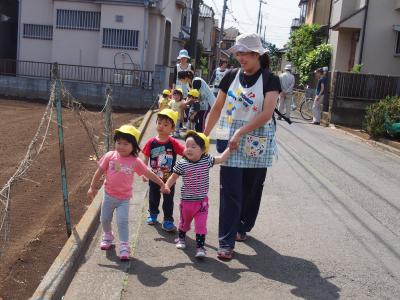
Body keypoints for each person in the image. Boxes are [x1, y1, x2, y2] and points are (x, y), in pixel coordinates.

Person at [204, 33, 281, 260]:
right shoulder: (229, 76)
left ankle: (242, 226)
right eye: (238, 53)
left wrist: (241, 131)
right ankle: (226, 242)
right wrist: (202, 136)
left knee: (251, 189)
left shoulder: (270, 79)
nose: (240, 57)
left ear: (257, 54)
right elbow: (217, 108)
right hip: (231, 141)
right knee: (230, 191)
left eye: (244, 53)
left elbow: (267, 113)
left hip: (257, 139)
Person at [87, 125, 168, 260]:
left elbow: (149, 173)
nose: (121, 146)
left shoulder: (135, 162)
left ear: (134, 146)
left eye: (126, 143)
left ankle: (124, 245)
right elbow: (99, 172)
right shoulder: (110, 156)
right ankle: (108, 235)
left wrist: (162, 184)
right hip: (108, 195)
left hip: (124, 199)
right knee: (104, 219)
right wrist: (92, 187)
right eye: (119, 142)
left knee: (122, 221)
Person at [165, 131, 231, 258]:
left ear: (203, 150)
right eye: (187, 146)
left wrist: (230, 148)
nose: (189, 149)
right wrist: (167, 186)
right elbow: (173, 177)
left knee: (201, 225)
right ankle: (181, 238)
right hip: (186, 202)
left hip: (201, 203)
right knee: (184, 224)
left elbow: (221, 158)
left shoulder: (207, 160)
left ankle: (200, 247)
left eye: (193, 146)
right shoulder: (182, 163)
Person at [142, 109, 185, 231]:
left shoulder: (173, 143)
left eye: (166, 125)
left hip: (169, 180)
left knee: (168, 201)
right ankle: (153, 214)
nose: (161, 126)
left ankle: (167, 220)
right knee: (153, 197)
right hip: (154, 177)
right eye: (159, 123)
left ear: (172, 128)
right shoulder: (151, 142)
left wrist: (195, 154)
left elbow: (185, 153)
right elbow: (145, 157)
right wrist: (144, 173)